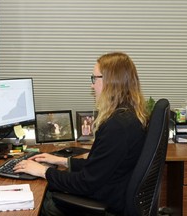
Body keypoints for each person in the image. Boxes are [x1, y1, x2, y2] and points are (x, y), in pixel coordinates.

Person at [13, 52, 148, 215]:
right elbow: (99, 167)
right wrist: (63, 161)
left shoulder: (117, 126)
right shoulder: (127, 116)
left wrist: (42, 171)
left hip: (106, 203)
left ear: (110, 81)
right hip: (112, 192)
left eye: (94, 78)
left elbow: (86, 182)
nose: (92, 85)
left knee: (41, 203)